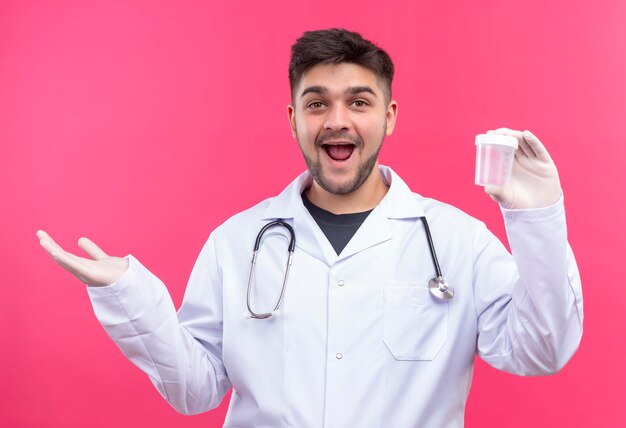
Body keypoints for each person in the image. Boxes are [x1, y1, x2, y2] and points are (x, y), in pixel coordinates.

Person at [37, 28, 583, 428]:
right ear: (294, 118)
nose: (337, 120)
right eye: (316, 103)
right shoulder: (236, 242)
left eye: (359, 102)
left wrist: (538, 219)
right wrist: (128, 296)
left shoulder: (457, 241)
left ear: (389, 116)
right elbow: (196, 390)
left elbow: (541, 351)